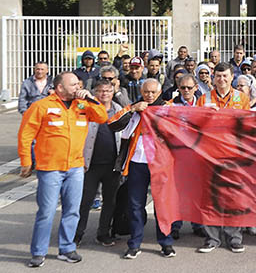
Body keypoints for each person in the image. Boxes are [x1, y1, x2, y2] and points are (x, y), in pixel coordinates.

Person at [18, 72, 108, 267]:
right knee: (46, 212)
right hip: (50, 168)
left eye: (78, 84)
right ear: (60, 87)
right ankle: (38, 252)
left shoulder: (82, 105)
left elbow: (102, 117)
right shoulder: (41, 106)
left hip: (75, 167)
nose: (78, 87)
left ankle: (67, 248)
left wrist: (91, 99)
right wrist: (26, 161)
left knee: (72, 211)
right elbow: (26, 135)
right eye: (74, 84)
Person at [107, 79, 177, 259]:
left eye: (153, 92)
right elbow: (112, 124)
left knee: (162, 204)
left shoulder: (168, 109)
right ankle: (134, 243)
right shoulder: (135, 108)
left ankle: (166, 242)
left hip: (161, 164)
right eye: (146, 92)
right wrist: (132, 109)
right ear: (141, 91)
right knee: (135, 205)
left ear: (160, 91)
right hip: (137, 163)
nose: (150, 95)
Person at [194, 63, 251, 253]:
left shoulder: (241, 98)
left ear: (232, 76)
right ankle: (212, 238)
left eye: (225, 76)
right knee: (210, 198)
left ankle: (234, 238)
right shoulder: (204, 99)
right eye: (218, 76)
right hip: (209, 155)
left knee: (233, 197)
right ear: (213, 76)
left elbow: (247, 125)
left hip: (234, 155)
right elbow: (195, 126)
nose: (221, 79)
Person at [75, 79, 123, 247]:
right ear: (95, 92)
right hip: (91, 164)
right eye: (101, 91)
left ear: (113, 92)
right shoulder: (87, 107)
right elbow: (76, 107)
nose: (104, 94)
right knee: (85, 200)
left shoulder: (118, 109)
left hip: (112, 165)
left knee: (110, 201)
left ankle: (103, 233)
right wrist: (85, 98)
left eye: (108, 91)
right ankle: (77, 233)